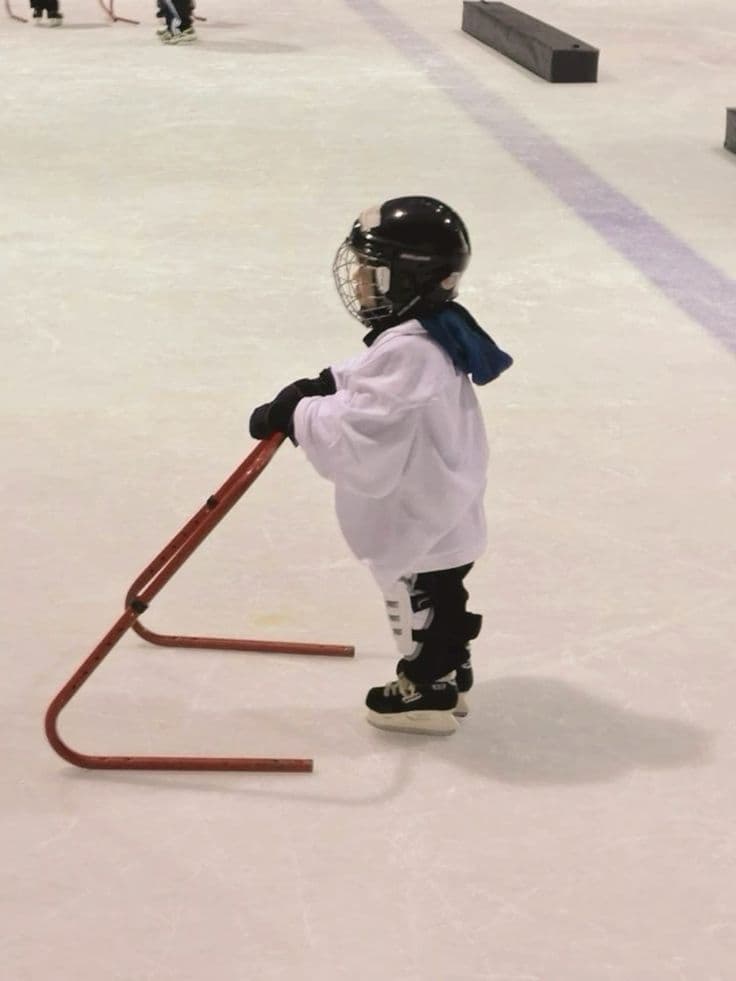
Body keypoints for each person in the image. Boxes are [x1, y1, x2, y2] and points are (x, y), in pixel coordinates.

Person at [249, 196, 512, 735]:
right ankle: (448, 667)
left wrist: (296, 414)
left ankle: (427, 690)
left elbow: (363, 435)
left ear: (408, 280)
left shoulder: (414, 351)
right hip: (443, 502)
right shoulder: (429, 330)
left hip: (425, 512)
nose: (362, 285)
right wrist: (327, 382)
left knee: (421, 600)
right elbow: (376, 375)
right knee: (441, 594)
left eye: (374, 274)